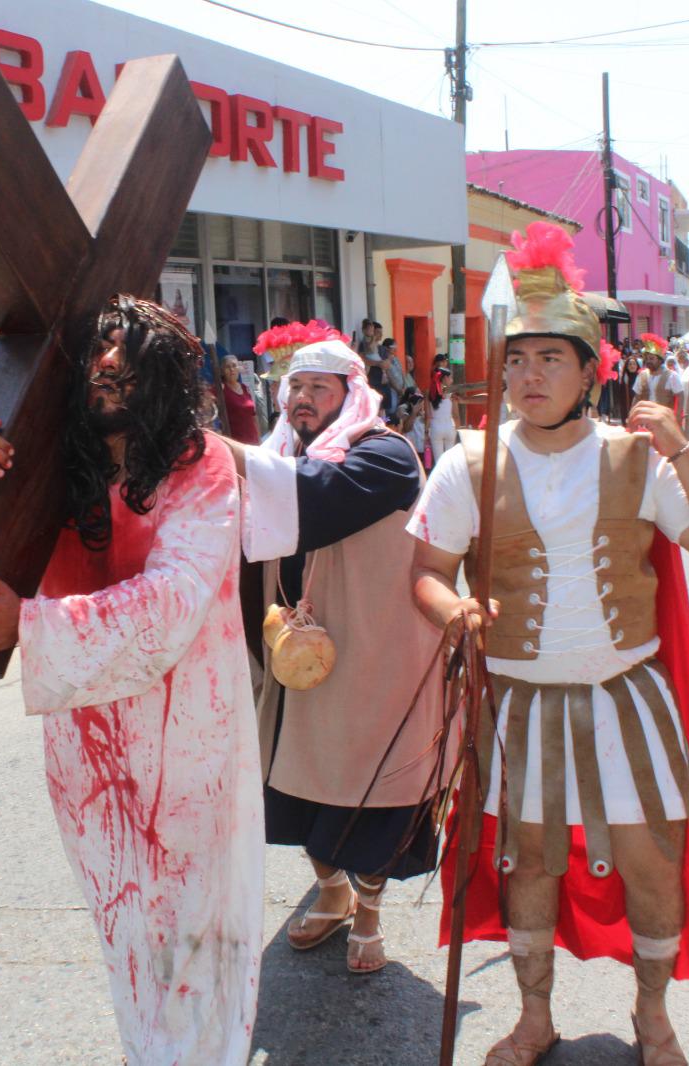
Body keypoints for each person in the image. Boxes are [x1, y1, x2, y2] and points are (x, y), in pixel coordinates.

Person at [407, 221, 689, 1066]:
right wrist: (450, 609)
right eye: (517, 359)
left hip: (627, 702)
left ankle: (653, 1015)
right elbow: (424, 570)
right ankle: (535, 1017)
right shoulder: (469, 463)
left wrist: (683, 453)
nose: (529, 376)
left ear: (590, 370)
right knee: (526, 865)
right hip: (518, 705)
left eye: (550, 359)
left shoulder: (637, 457)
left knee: (651, 862)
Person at [0, 295, 262, 1065]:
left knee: (200, 946)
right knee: (131, 945)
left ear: (167, 377)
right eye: (100, 348)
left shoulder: (200, 465)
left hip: (189, 755)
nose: (108, 364)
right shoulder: (46, 471)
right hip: (93, 762)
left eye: (129, 352)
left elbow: (171, 606)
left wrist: (29, 627)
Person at [216, 328, 446, 977]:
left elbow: (315, 493)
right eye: (295, 388)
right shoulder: (276, 455)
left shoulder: (387, 455)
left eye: (319, 387)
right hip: (293, 666)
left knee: (364, 798)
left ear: (351, 394)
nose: (303, 399)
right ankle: (333, 892)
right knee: (295, 795)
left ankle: (368, 919)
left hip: (372, 669)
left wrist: (212, 447)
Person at [219, 355, 264, 444]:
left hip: (253, 441)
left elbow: (253, 416)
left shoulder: (245, 388)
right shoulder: (221, 389)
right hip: (236, 443)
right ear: (222, 371)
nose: (232, 369)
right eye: (228, 367)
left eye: (234, 366)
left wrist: (259, 440)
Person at [633, 335, 682, 409]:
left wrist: (678, 416)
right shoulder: (642, 375)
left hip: (664, 418)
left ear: (660, 360)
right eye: (646, 358)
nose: (648, 361)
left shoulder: (672, 376)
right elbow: (637, 397)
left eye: (651, 358)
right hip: (645, 417)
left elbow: (680, 396)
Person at [428, 353, 459, 467]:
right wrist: (458, 428)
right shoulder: (451, 394)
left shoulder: (430, 393)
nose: (452, 380)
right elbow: (455, 414)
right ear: (445, 378)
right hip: (449, 426)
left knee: (438, 463)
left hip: (435, 427)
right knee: (450, 461)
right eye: (450, 377)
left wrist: (426, 432)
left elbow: (428, 415)